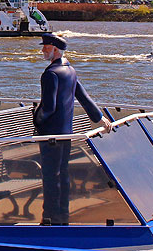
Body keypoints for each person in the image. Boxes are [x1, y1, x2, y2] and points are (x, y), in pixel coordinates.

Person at [33, 33, 112, 225]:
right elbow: (84, 98)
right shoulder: (70, 71)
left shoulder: (50, 74)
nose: (43, 50)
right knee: (63, 174)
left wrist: (37, 121)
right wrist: (100, 118)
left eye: (46, 47)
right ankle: (63, 215)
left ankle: (49, 218)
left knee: (51, 176)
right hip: (66, 134)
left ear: (55, 49)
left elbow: (49, 108)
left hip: (50, 136)